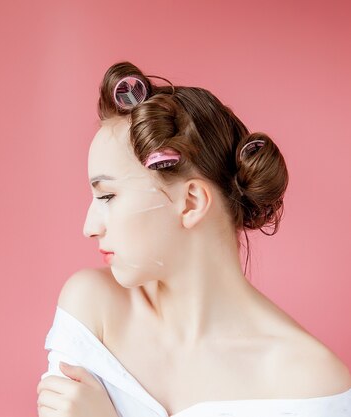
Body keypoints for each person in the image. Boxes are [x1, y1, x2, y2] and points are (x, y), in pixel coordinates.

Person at [36, 61, 351, 417]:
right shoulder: (94, 310)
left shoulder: (311, 384)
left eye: (108, 196)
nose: (89, 227)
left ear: (191, 203)